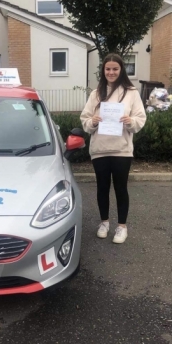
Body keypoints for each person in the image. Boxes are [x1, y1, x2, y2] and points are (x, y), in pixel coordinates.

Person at [80, 53, 146, 244]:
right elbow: (84, 119)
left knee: (120, 188)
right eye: (107, 69)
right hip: (99, 149)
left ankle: (122, 227)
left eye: (115, 69)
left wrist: (130, 121)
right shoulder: (96, 93)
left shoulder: (131, 92)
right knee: (102, 187)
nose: (111, 72)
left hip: (122, 150)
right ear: (103, 70)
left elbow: (140, 119)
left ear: (121, 70)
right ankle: (104, 223)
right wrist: (91, 121)